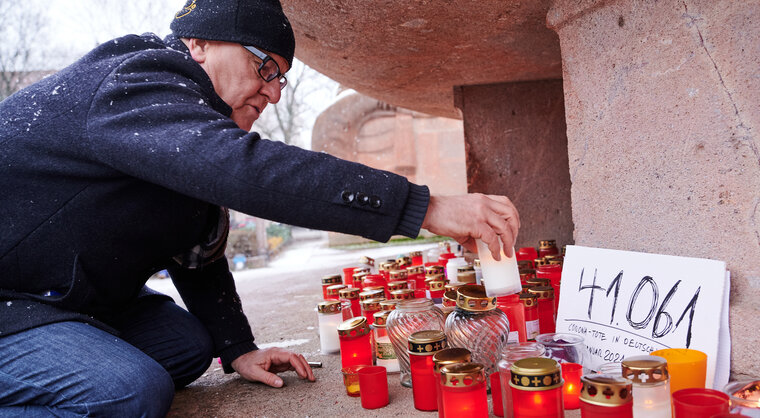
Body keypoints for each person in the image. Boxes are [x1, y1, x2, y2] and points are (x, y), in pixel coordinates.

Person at [0, 0, 519, 416]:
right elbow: (245, 171)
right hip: (12, 299)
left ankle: (70, 356)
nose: (272, 92)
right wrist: (424, 206)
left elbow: (196, 249)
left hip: (66, 298)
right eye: (263, 66)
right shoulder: (137, 80)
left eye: (281, 78)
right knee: (130, 393)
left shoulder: (182, 125)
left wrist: (237, 345)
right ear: (199, 43)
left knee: (188, 346)